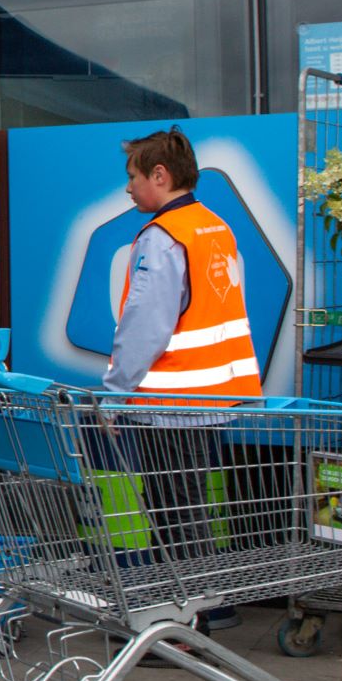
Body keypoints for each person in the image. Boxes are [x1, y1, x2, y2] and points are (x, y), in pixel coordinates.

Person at [106, 127, 259, 591]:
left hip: (171, 404)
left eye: (133, 176)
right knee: (190, 511)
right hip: (212, 400)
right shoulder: (214, 226)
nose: (129, 187)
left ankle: (186, 622)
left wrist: (114, 395)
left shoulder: (163, 237)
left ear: (160, 174)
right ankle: (199, 612)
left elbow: (146, 326)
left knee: (174, 518)